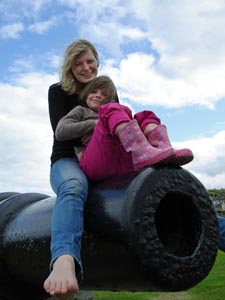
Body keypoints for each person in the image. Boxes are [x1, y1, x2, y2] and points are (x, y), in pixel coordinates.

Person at [55, 75, 194, 182]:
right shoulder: (81, 111)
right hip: (95, 164)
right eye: (94, 91)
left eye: (104, 94)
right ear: (86, 94)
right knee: (111, 109)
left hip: (122, 160)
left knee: (145, 115)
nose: (98, 95)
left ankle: (162, 150)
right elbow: (60, 132)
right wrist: (96, 123)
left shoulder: (112, 111)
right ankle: (140, 151)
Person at [43, 39, 100, 297]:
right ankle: (64, 260)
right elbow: (62, 133)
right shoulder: (57, 91)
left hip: (101, 161)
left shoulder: (104, 91)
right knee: (73, 186)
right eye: (78, 63)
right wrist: (98, 127)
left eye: (89, 61)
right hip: (68, 161)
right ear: (70, 67)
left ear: (97, 61)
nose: (86, 67)